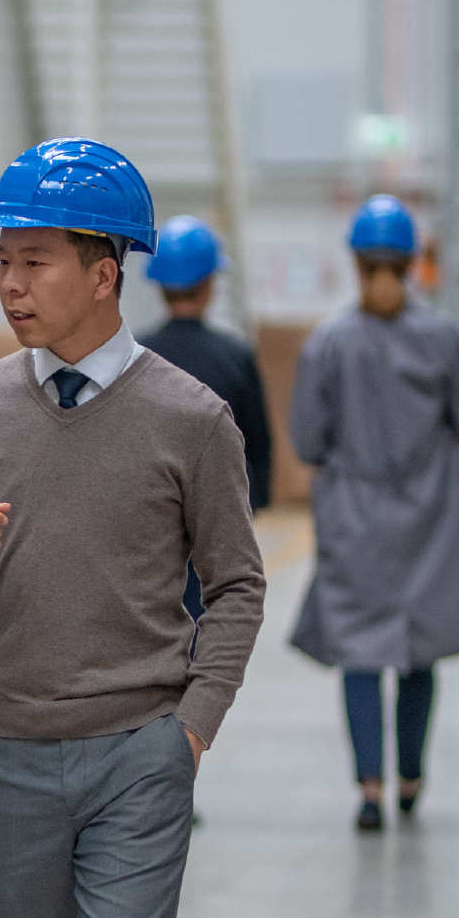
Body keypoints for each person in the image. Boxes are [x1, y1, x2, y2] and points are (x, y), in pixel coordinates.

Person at [0, 138, 266, 918]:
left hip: (138, 755)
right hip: (5, 751)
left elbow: (236, 584)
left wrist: (191, 728)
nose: (10, 285)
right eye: (1, 263)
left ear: (104, 274)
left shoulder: (191, 420)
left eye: (34, 262)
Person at [287, 194, 459, 831]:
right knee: (418, 649)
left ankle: (370, 791)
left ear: (356, 263)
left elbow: (306, 439)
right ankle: (412, 780)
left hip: (354, 517)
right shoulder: (441, 336)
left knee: (359, 651)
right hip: (429, 514)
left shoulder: (329, 344)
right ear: (414, 262)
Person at [139, 215, 273, 617]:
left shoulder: (136, 356)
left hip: (149, 514)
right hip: (219, 513)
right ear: (211, 284)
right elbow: (258, 439)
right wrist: (256, 502)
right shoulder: (235, 357)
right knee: (212, 618)